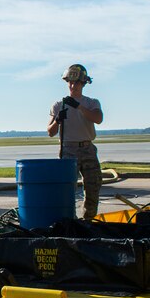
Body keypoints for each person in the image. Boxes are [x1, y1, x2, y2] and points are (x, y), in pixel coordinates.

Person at [47, 64, 104, 219]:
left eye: (77, 83)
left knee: (93, 186)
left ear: (83, 84)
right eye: (70, 83)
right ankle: (69, 222)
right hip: (68, 149)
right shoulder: (59, 105)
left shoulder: (91, 103)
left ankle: (88, 221)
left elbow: (98, 119)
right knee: (67, 190)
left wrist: (79, 107)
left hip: (87, 148)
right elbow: (51, 132)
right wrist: (58, 120)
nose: (73, 86)